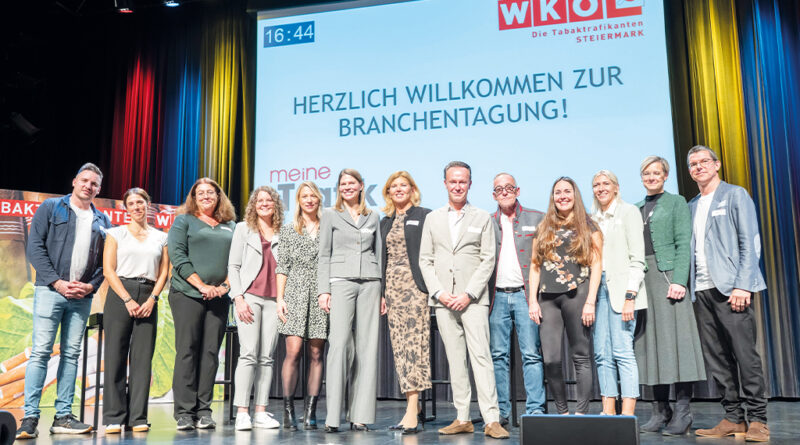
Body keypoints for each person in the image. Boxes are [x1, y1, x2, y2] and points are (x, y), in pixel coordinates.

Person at [16, 163, 111, 439]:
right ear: (74, 182)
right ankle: (30, 418)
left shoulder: (103, 221)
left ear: (99, 189)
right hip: (50, 291)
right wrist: (57, 282)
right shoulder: (51, 208)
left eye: (94, 184)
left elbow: (106, 263)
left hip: (81, 297)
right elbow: (35, 247)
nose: (88, 186)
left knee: (71, 355)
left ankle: (63, 417)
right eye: (84, 181)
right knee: (41, 353)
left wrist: (89, 287)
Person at [419, 161, 509, 440]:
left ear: (470, 184)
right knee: (455, 360)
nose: (458, 186)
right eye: (453, 181)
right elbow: (425, 260)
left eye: (463, 181)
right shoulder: (433, 218)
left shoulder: (482, 217)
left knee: (481, 357)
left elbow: (488, 259)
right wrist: (440, 293)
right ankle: (462, 417)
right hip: (443, 300)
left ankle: (491, 419)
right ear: (445, 183)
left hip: (473, 300)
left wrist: (469, 294)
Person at [686, 145, 769, 442]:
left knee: (746, 356)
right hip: (702, 290)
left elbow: (751, 241)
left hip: (732, 289)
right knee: (717, 359)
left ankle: (758, 419)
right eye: (693, 164)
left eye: (703, 161)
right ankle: (734, 418)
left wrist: (743, 283)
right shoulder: (692, 204)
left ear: (717, 164)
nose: (698, 167)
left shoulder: (735, 195)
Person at [634, 156, 705, 435]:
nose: (651, 177)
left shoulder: (676, 202)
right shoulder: (636, 208)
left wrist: (679, 280)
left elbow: (683, 243)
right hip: (643, 282)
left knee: (678, 345)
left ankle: (683, 411)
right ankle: (660, 409)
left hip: (667, 278)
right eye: (646, 173)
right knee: (651, 346)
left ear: (665, 176)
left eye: (656, 173)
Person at [528, 177, 602, 415]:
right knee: (550, 359)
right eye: (558, 192)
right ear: (553, 197)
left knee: (580, 356)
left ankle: (580, 413)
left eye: (567, 191)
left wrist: (590, 301)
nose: (562, 196)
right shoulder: (543, 225)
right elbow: (534, 265)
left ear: (575, 194)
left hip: (577, 294)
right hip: (548, 298)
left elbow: (596, 265)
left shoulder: (589, 226)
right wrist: (532, 300)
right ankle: (562, 413)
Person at [317, 169, 384, 432]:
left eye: (351, 183)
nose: (347, 187)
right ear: (339, 188)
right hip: (340, 282)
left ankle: (360, 416)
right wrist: (324, 290)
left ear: (361, 187)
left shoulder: (373, 215)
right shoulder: (330, 214)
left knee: (368, 349)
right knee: (340, 345)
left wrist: (383, 292)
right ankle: (333, 417)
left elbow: (379, 252)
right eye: (343, 184)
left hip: (370, 282)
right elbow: (324, 254)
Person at [168, 177, 236, 431]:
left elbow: (237, 261)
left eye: (211, 192)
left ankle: (204, 410)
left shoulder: (231, 225)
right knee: (187, 351)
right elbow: (178, 256)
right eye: (201, 193)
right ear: (193, 198)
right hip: (187, 293)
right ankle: (184, 412)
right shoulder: (183, 221)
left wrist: (224, 287)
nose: (206, 196)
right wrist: (202, 286)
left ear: (219, 197)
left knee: (210, 354)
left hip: (219, 297)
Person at [102, 188, 169, 433]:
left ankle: (138, 416)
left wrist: (152, 298)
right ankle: (113, 415)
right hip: (121, 294)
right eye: (131, 203)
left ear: (148, 204)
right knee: (115, 356)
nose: (136, 207)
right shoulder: (115, 233)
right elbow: (109, 270)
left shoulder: (160, 237)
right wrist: (127, 299)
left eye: (140, 202)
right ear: (125, 207)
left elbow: (163, 272)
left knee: (142, 359)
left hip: (149, 295)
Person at [488, 173, 545, 424]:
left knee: (531, 354)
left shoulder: (537, 217)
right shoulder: (486, 222)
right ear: (493, 195)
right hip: (496, 297)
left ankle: (534, 411)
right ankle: (501, 412)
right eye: (499, 189)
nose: (504, 192)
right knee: (498, 356)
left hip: (525, 296)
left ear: (517, 190)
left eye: (508, 188)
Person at [590, 170, 647, 416]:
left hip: (622, 292)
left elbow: (638, 259)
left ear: (616, 187)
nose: (601, 188)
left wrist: (630, 297)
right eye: (596, 185)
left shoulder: (629, 212)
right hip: (598, 289)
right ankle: (608, 411)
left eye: (605, 184)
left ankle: (627, 413)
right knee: (602, 353)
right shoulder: (592, 219)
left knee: (623, 352)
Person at [379, 171, 431, 435]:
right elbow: (382, 259)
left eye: (403, 185)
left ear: (412, 189)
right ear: (388, 192)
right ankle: (415, 406)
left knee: (414, 347)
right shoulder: (385, 221)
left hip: (416, 289)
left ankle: (412, 408)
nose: (398, 189)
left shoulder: (425, 216)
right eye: (393, 186)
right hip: (392, 291)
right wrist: (381, 293)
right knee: (400, 349)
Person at [228, 186, 283, 431]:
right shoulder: (243, 229)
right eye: (259, 200)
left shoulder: (285, 230)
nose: (264, 204)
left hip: (275, 300)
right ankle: (242, 412)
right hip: (249, 297)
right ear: (253, 204)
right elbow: (233, 266)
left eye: (268, 200)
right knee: (248, 353)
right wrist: (238, 298)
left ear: (276, 204)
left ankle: (260, 411)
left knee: (267, 357)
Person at [276, 181, 328, 431]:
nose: (309, 200)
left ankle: (311, 412)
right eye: (304, 196)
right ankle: (288, 411)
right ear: (298, 200)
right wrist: (280, 298)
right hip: (294, 293)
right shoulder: (288, 229)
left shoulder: (329, 227)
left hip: (321, 294)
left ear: (319, 198)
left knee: (317, 354)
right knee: (293, 352)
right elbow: (282, 266)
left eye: (313, 196)